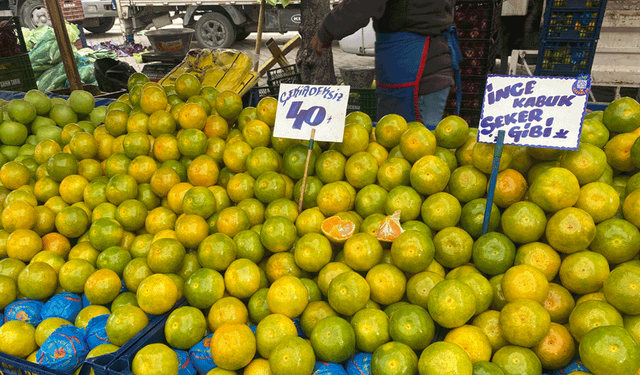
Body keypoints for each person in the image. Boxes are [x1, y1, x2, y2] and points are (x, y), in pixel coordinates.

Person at [311, 0, 459, 128]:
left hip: (416, 70)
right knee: (417, 147)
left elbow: (362, 4)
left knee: (411, 148)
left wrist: (326, 30)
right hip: (431, 65)